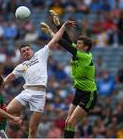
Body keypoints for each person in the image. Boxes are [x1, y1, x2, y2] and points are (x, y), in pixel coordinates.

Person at [40, 10, 97, 138]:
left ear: (86, 47)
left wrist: (50, 32)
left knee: (71, 122)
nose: (76, 44)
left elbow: (64, 44)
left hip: (89, 94)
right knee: (67, 122)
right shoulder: (78, 51)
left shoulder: (85, 57)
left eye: (80, 43)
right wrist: (58, 23)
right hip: (79, 92)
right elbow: (66, 39)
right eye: (77, 43)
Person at [0, 41, 55, 138]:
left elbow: (55, 40)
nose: (26, 52)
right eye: (23, 51)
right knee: (5, 111)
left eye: (28, 49)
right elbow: (7, 79)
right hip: (27, 92)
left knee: (32, 130)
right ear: (21, 55)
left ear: (31, 50)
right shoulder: (21, 66)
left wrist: (62, 27)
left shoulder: (40, 54)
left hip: (40, 95)